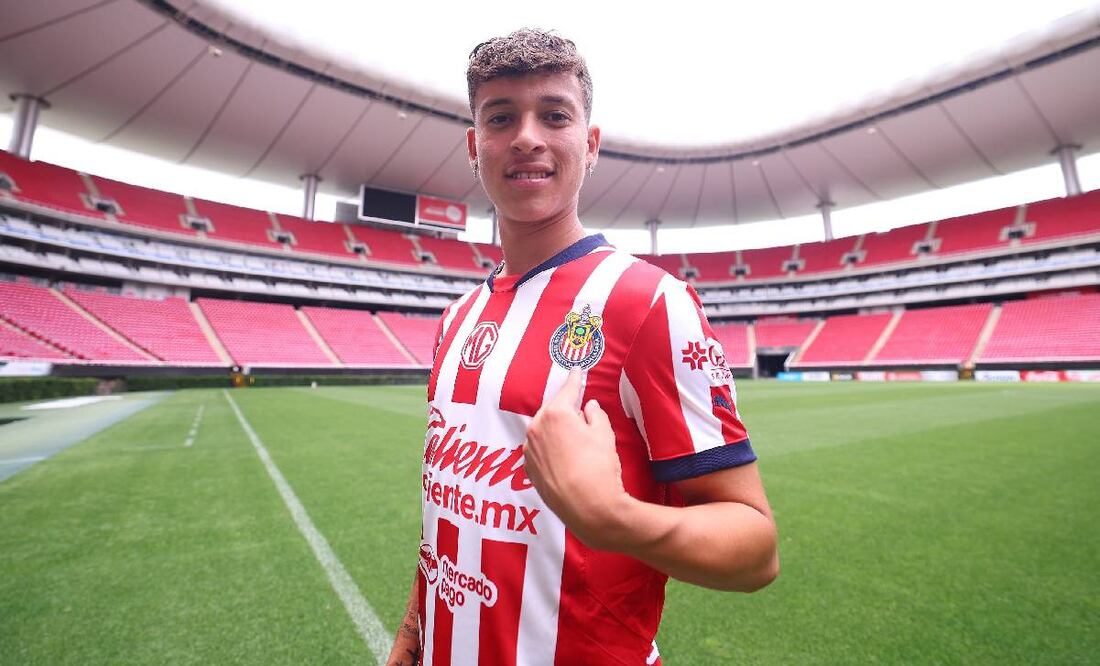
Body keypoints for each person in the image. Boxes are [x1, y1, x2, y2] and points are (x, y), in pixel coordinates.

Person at [386, 29, 778, 666]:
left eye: (555, 115)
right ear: (473, 145)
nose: (527, 137)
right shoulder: (459, 316)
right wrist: (412, 627)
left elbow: (756, 548)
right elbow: (451, 506)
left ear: (589, 144)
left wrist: (615, 518)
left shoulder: (647, 301)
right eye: (501, 117)